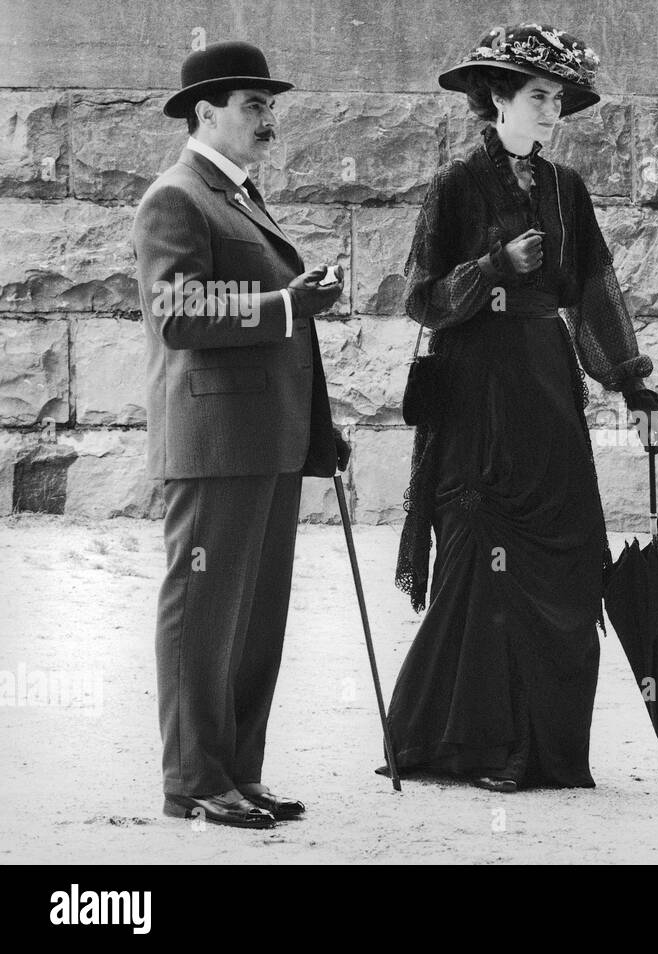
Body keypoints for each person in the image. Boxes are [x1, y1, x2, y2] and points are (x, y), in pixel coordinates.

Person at [387, 22, 658, 791]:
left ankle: (546, 752)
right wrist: (491, 268)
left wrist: (633, 383)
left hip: (546, 393)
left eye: (558, 101)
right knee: (486, 567)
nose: (551, 114)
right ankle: (473, 748)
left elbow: (594, 295)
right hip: (478, 397)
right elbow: (420, 300)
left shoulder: (566, 191)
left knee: (571, 559)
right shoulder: (455, 185)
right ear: (497, 99)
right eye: (538, 97)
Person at [134, 40, 350, 828]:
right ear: (205, 112)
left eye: (269, 106)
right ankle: (193, 780)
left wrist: (316, 427)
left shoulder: (238, 195)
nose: (269, 119)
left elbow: (274, 322)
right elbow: (178, 313)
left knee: (254, 617)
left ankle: (237, 771)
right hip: (216, 443)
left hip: (266, 439)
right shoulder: (176, 197)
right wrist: (288, 305)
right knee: (203, 611)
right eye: (254, 105)